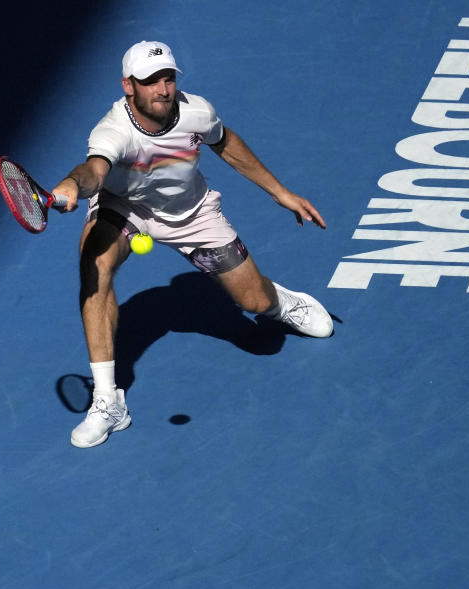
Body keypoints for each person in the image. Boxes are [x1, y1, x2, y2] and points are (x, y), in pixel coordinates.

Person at [49, 41, 334, 448]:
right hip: (124, 207)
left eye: (168, 78)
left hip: (192, 215)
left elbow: (226, 144)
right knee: (94, 269)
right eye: (151, 82)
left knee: (254, 304)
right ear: (128, 86)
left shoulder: (196, 111)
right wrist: (73, 185)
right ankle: (108, 401)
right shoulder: (113, 131)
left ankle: (280, 301)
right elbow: (94, 170)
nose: (163, 89)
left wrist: (279, 191)